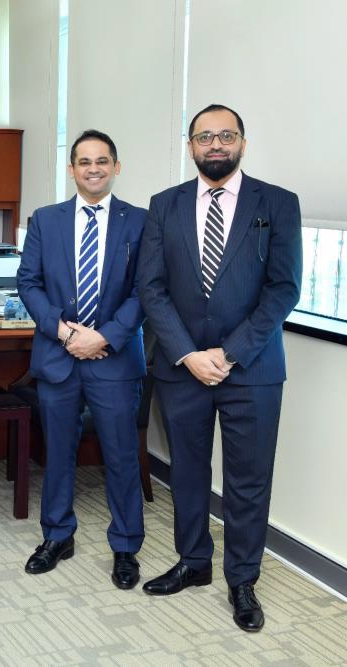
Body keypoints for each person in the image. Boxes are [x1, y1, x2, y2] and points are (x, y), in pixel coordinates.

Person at [137, 104, 302, 631]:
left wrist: (228, 353)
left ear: (242, 144)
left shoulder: (277, 203)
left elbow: (283, 289)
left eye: (225, 135)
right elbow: (151, 288)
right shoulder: (164, 205)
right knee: (186, 472)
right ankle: (193, 561)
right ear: (190, 146)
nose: (215, 145)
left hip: (251, 369)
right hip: (181, 367)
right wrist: (188, 353)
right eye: (204, 136)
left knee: (248, 481)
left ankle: (243, 581)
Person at [17, 130, 147, 589]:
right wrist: (65, 331)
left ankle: (126, 546)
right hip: (59, 355)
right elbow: (28, 282)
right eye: (85, 162)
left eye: (102, 161)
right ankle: (57, 536)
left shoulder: (140, 221)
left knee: (121, 456)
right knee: (58, 454)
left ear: (116, 167)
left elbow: (145, 290)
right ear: (71, 169)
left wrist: (104, 337)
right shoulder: (45, 220)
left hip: (114, 359)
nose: (94, 169)